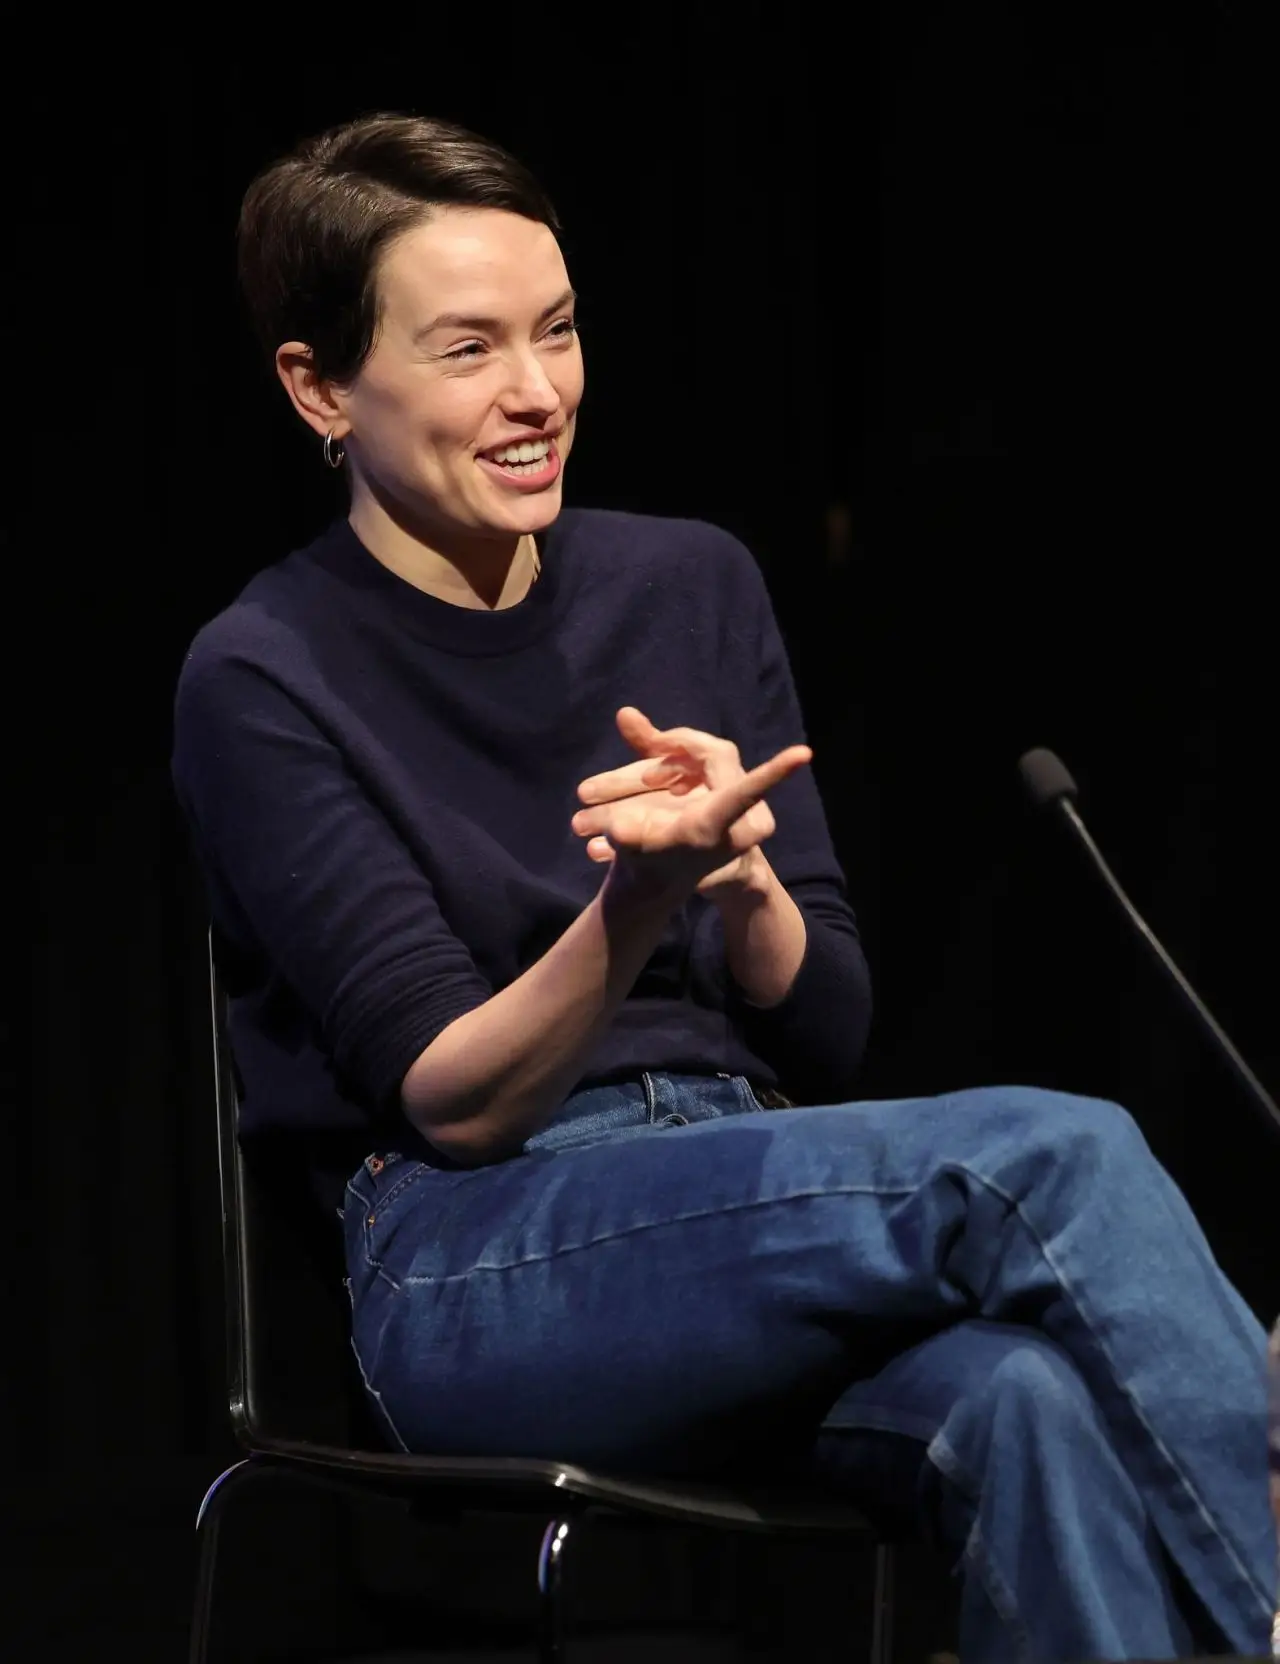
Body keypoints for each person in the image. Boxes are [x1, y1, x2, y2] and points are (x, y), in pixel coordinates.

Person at [171, 112, 1275, 1662]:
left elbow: (824, 1035)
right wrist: (630, 912)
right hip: (481, 1261)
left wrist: (741, 885)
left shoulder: (689, 582)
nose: (537, 394)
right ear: (321, 388)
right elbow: (456, 1103)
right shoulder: (264, 672)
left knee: (1025, 1407)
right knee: (1048, 1158)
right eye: (470, 348)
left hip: (743, 1192)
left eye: (557, 333)